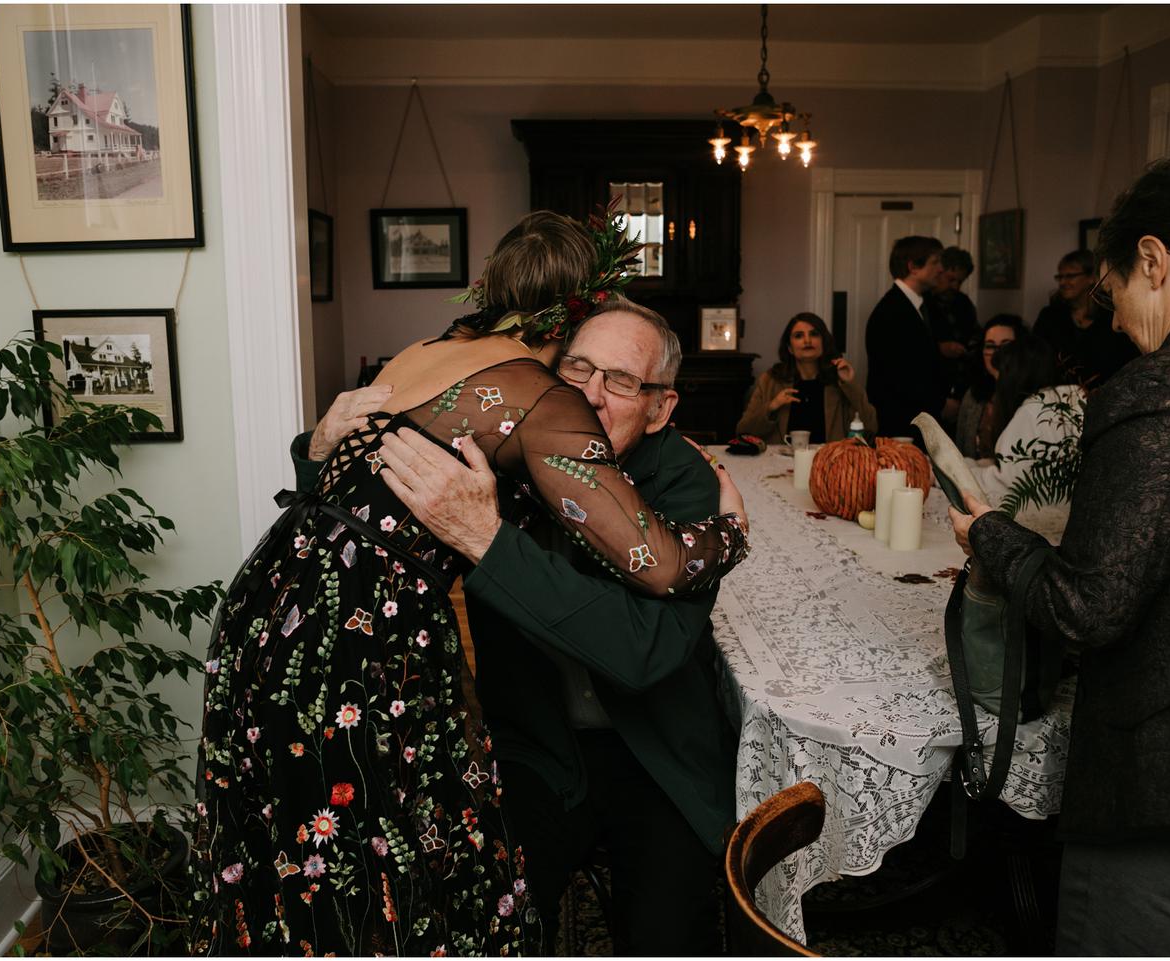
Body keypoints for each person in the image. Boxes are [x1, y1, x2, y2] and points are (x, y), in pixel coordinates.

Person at [190, 212, 750, 956]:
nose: (591, 393)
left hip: (272, 618)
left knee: (320, 857)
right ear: (564, 332)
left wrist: (327, 456)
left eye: (622, 379)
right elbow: (667, 560)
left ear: (661, 404)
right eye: (580, 368)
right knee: (379, 867)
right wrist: (734, 534)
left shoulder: (433, 355)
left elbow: (355, 505)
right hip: (408, 681)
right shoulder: (534, 407)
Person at [950, 154, 1170, 956]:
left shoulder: (1162, 386)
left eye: (1116, 289)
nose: (1120, 318)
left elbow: (1086, 607)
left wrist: (987, 532)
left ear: (1156, 261)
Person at [967, 331, 1084, 543]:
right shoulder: (1077, 398)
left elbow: (1006, 486)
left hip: (1046, 536)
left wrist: (959, 471)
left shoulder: (1033, 411)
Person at [735, 311, 877, 444]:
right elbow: (743, 431)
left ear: (823, 343)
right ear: (790, 348)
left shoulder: (838, 380)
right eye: (799, 336)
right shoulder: (771, 380)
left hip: (827, 462)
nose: (807, 340)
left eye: (814, 334)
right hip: (780, 464)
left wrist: (849, 384)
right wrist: (772, 406)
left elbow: (871, 426)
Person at [866, 235, 950, 440]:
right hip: (901, 424)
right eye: (935, 262)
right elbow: (898, 375)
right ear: (913, 267)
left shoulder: (924, 305)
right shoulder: (889, 312)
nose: (941, 269)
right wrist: (940, 403)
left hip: (919, 419)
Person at [1032, 249, 1139, 388]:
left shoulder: (1111, 315)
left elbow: (1126, 361)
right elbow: (1037, 359)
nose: (1063, 282)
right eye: (1060, 277)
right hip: (1058, 397)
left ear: (1091, 278)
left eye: (1070, 276)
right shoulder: (1050, 316)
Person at [954, 314, 1024, 458]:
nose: (997, 354)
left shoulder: (1029, 398)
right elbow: (960, 451)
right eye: (990, 346)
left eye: (1006, 346)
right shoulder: (973, 395)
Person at [929, 246, 983, 416]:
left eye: (960, 282)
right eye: (951, 279)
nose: (955, 287)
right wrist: (939, 348)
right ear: (939, 271)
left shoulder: (963, 303)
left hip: (961, 387)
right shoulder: (922, 304)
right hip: (931, 389)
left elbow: (976, 335)